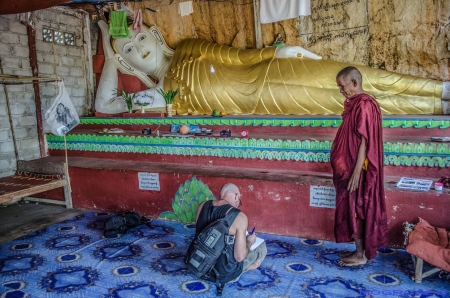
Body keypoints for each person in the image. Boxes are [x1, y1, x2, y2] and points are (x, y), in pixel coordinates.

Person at [96, 20, 447, 116]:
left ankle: (439, 88)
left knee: (347, 74)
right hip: (264, 102)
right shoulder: (162, 94)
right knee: (350, 101)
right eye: (128, 50)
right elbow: (105, 105)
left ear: (156, 36)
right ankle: (439, 106)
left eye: (140, 39)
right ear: (127, 62)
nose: (138, 48)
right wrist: (110, 59)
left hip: (269, 72)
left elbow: (239, 57)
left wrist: (278, 52)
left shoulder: (189, 47)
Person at [330, 66, 388, 266]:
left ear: (354, 83)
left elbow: (365, 141)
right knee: (352, 208)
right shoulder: (355, 104)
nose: (341, 90)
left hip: (360, 171)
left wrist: (355, 172)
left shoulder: (364, 104)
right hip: (350, 169)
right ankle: (358, 251)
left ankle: (362, 255)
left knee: (360, 208)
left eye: (342, 85)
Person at [193, 183, 267, 282]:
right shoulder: (239, 216)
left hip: (197, 265)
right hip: (223, 274)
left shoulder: (202, 206)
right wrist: (249, 242)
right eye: (239, 201)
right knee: (261, 247)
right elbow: (239, 257)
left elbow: (199, 234)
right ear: (237, 196)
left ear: (221, 195)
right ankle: (247, 267)